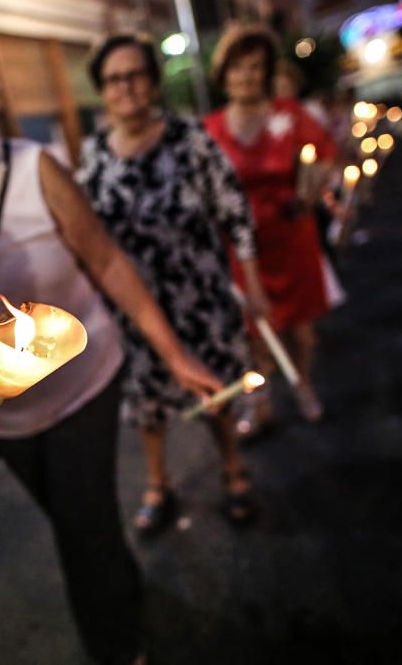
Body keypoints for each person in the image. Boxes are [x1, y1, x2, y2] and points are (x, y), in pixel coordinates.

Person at [0, 15, 227, 665]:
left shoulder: (37, 168)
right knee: (80, 524)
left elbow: (109, 262)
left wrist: (174, 352)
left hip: (81, 389)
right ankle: (121, 589)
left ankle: (118, 647)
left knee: (80, 534)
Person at [76, 34, 269, 531]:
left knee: (216, 392)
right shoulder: (94, 154)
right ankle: (158, 483)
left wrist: (254, 284)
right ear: (101, 89)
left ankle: (233, 470)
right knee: (147, 406)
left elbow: (235, 212)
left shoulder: (189, 139)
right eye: (114, 78)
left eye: (137, 74)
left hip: (200, 298)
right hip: (133, 312)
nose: (127, 87)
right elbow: (84, 235)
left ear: (154, 81)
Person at [203, 26, 339, 428]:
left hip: (291, 237)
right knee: (253, 333)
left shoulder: (290, 115)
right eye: (238, 68)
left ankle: (303, 383)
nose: (247, 76)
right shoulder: (208, 130)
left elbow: (325, 158)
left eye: (256, 68)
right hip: (241, 251)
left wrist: (313, 187)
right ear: (223, 74)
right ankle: (261, 402)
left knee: (300, 330)